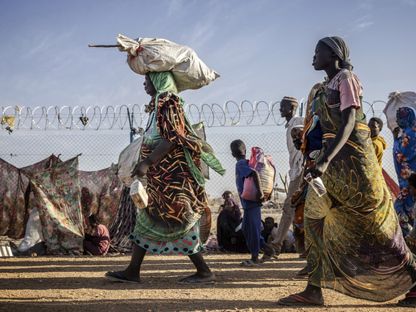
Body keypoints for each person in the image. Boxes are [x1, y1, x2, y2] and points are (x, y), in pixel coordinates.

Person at [278, 36, 416, 307]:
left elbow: (350, 120)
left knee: (376, 227)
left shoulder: (346, 79)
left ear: (335, 55)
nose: (314, 56)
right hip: (331, 164)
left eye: (319, 52)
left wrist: (326, 159)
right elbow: (321, 128)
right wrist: (311, 150)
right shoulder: (320, 88)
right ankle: (314, 289)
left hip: (354, 164)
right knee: (315, 219)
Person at [106, 71, 224, 284]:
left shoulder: (169, 102)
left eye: (147, 80)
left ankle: (204, 271)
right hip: (161, 179)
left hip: (173, 180)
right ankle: (133, 271)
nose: (144, 84)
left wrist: (147, 162)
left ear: (159, 80)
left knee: (178, 220)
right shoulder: (158, 104)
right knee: (147, 218)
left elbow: (171, 139)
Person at [230, 139, 274, 266]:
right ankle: (268, 249)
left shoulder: (240, 164)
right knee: (246, 228)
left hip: (250, 204)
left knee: (252, 230)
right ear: (244, 150)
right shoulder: (246, 162)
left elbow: (254, 173)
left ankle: (255, 257)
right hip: (249, 204)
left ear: (232, 154)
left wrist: (260, 192)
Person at [272, 97, 304, 257]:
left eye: (283, 107)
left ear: (291, 108)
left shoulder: (298, 121)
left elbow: (301, 135)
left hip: (301, 170)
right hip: (296, 170)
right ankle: (304, 250)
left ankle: (275, 246)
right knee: (299, 209)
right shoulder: (289, 126)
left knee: (289, 207)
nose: (280, 110)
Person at [394, 107, 416, 237]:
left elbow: (402, 155)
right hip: (411, 179)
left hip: (410, 181)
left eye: (399, 117)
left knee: (400, 208)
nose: (397, 120)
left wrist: (396, 140)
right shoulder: (409, 132)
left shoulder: (409, 134)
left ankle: (409, 239)